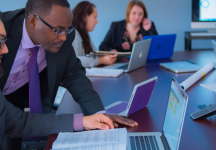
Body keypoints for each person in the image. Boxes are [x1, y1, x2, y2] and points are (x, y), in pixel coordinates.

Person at [1, 0, 138, 149]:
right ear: (33, 21)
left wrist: (99, 115)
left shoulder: (63, 35)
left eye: (67, 30)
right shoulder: (3, 27)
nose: (64, 37)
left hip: (16, 109)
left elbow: (74, 74)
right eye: (58, 30)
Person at [72, 1, 117, 68]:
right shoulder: (73, 33)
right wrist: (102, 60)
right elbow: (75, 61)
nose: (97, 21)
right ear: (84, 17)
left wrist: (108, 54)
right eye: (95, 17)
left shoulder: (85, 34)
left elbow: (95, 53)